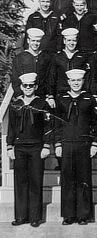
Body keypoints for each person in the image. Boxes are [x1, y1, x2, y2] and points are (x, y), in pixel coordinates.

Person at [7, 72, 52, 228]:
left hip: (36, 147)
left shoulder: (42, 104)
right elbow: (11, 127)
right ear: (21, 87)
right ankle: (21, 216)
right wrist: (9, 146)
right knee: (20, 182)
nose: (28, 88)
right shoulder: (15, 104)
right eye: (25, 86)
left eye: (31, 86)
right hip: (20, 147)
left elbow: (48, 127)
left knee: (35, 181)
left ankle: (35, 217)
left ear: (35, 87)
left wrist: (46, 145)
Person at [55, 69, 97, 225]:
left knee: (83, 179)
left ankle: (83, 215)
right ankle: (68, 215)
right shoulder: (61, 99)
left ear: (83, 81)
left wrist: (95, 143)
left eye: (79, 80)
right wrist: (58, 143)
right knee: (67, 179)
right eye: (73, 81)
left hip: (83, 144)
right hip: (67, 143)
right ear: (68, 82)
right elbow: (56, 123)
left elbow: (95, 123)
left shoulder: (89, 99)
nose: (76, 83)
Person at [47, 27, 90, 105]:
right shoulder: (57, 57)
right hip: (61, 92)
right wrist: (51, 95)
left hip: (79, 93)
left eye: (74, 40)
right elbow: (52, 76)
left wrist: (86, 91)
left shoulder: (83, 57)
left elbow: (87, 76)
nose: (71, 43)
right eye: (69, 40)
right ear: (64, 41)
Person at [11, 28, 50, 98]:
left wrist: (49, 94)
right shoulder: (20, 57)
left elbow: (49, 77)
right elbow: (15, 77)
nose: (35, 43)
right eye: (33, 41)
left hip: (42, 95)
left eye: (38, 41)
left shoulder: (45, 57)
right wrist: (19, 94)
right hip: (25, 94)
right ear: (28, 41)